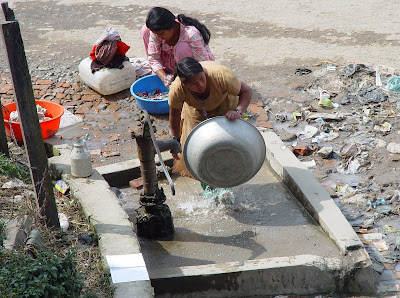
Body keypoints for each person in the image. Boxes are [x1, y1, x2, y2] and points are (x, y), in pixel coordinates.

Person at [168, 57, 252, 176]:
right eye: (194, 84)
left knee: (228, 144)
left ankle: (229, 174)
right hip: (196, 112)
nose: (200, 85)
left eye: (201, 79)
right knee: (197, 150)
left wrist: (238, 111)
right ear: (184, 84)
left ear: (204, 72)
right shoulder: (177, 89)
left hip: (225, 108)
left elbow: (246, 91)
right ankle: (207, 178)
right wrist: (175, 140)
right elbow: (174, 115)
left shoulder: (221, 76)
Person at [141, 7, 215, 87]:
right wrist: (164, 78)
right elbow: (153, 57)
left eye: (162, 33)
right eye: (156, 34)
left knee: (181, 47)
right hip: (170, 65)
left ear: (171, 27)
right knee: (145, 30)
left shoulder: (191, 34)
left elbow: (203, 63)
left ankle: (185, 77)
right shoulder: (158, 31)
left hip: (191, 68)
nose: (159, 37)